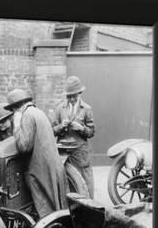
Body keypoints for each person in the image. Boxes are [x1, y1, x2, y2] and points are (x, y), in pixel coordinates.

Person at [5, 89, 68, 218]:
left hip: (41, 170)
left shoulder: (27, 115)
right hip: (52, 167)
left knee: (47, 212)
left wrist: (17, 125)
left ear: (16, 108)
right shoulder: (39, 112)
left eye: (13, 111)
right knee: (57, 207)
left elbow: (24, 146)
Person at [51, 75, 95, 197]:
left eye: (74, 96)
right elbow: (52, 130)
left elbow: (91, 132)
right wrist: (61, 126)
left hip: (80, 153)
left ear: (80, 93)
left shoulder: (87, 109)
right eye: (69, 96)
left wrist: (81, 129)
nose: (71, 99)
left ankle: (90, 209)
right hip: (63, 153)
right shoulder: (60, 109)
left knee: (85, 183)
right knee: (66, 183)